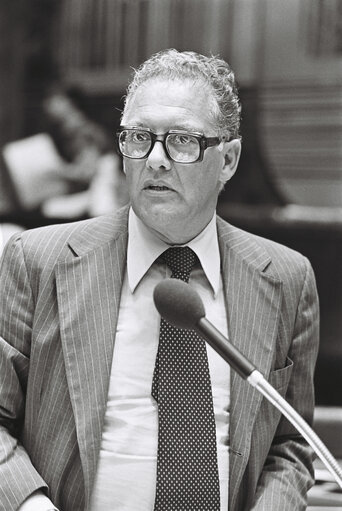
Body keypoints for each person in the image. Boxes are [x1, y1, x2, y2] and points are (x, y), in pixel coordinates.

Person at [0, 49, 319, 511]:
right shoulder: (38, 261)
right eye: (139, 137)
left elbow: (290, 444)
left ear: (227, 160)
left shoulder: (286, 278)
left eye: (183, 141)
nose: (156, 160)